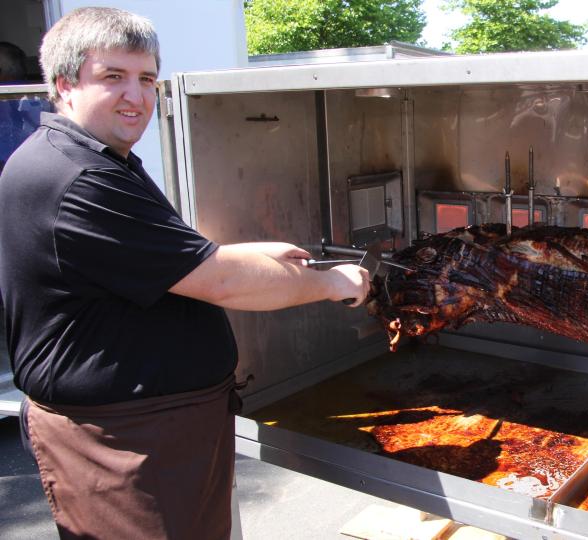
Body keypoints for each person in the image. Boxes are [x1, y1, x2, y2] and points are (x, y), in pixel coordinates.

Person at [0, 7, 370, 539]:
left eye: (147, 79)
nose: (138, 96)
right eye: (113, 77)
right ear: (64, 84)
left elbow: (158, 261)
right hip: (124, 445)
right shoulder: (77, 178)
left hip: (154, 434)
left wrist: (253, 251)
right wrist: (332, 282)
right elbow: (217, 280)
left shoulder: (95, 160)